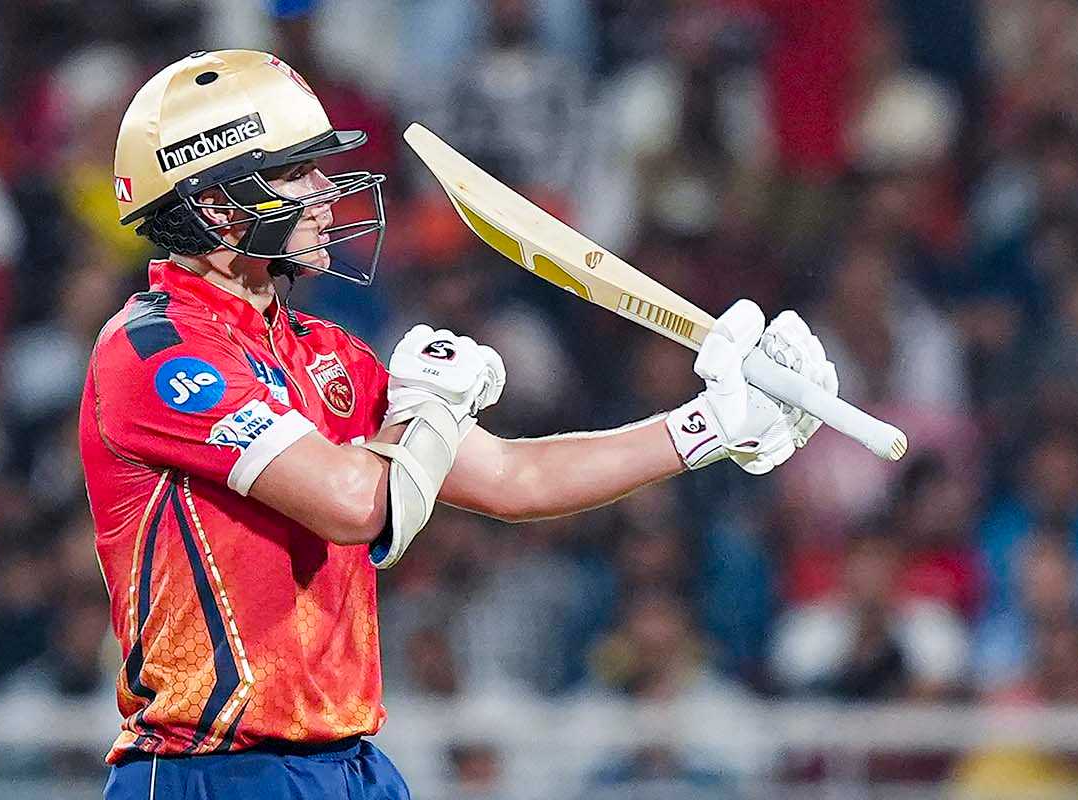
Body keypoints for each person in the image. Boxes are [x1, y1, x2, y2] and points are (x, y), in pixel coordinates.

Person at [83, 50, 838, 799]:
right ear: (215, 205)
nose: (324, 192)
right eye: (293, 172)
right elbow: (357, 505)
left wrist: (707, 425)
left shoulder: (323, 350)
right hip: (211, 772)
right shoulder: (152, 350)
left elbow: (515, 477)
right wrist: (432, 408)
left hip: (348, 764)